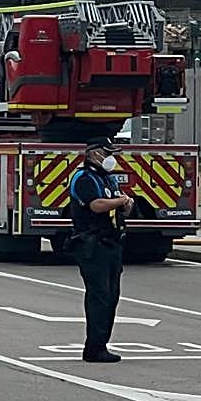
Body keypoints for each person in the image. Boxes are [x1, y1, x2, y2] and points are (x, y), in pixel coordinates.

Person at [68, 135, 134, 364]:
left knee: (112, 296)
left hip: (111, 243)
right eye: (107, 153)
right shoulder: (84, 178)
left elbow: (117, 207)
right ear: (93, 154)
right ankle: (94, 348)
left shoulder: (108, 179)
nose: (110, 158)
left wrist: (127, 205)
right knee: (99, 296)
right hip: (91, 244)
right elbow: (96, 205)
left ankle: (102, 344)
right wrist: (120, 201)